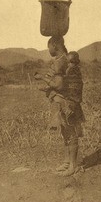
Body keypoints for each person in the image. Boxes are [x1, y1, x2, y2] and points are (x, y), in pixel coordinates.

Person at [34, 36, 85, 176]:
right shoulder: (62, 60)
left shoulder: (61, 61)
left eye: (48, 46)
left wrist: (43, 78)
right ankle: (67, 162)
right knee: (65, 132)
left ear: (54, 45)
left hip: (68, 102)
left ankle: (73, 166)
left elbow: (60, 85)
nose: (48, 49)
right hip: (64, 101)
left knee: (71, 132)